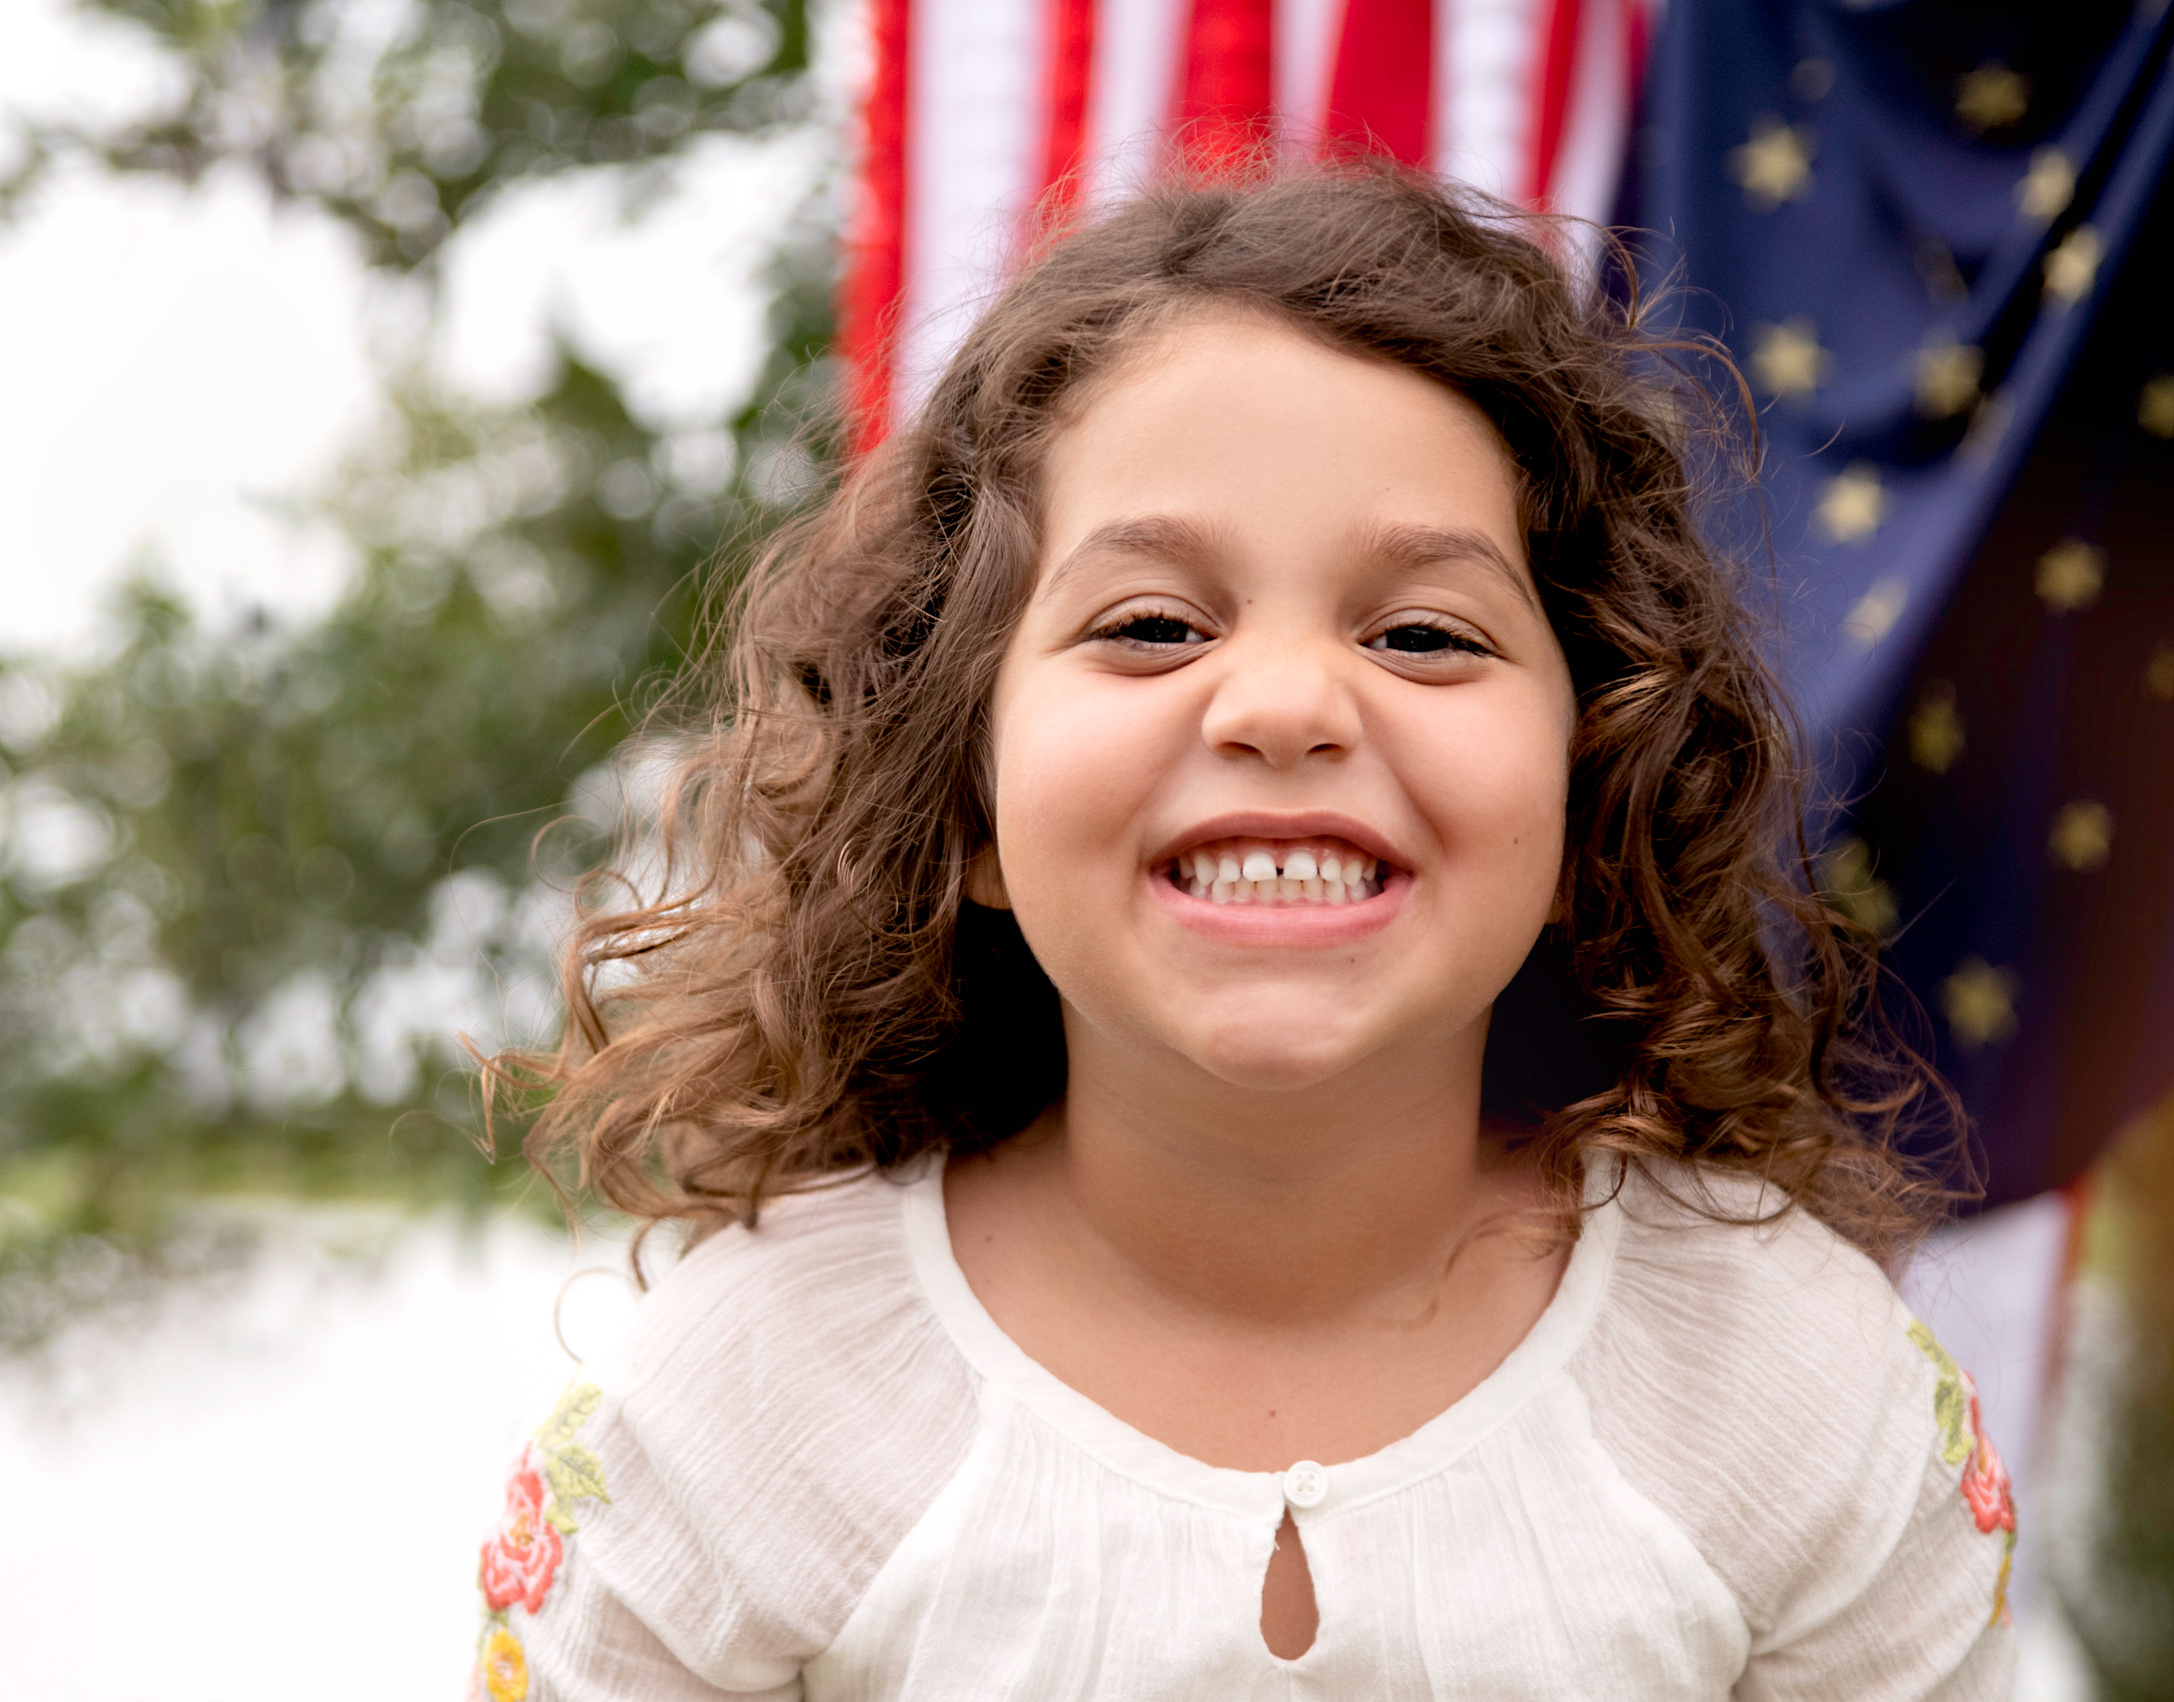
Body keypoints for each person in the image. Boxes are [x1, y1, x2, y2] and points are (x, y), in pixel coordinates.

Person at [465, 167, 2018, 1700]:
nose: (1283, 705)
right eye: (1152, 626)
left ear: (1591, 795)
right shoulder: (730, 1424)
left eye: (1423, 633)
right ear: (968, 801)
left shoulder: (1801, 1403)